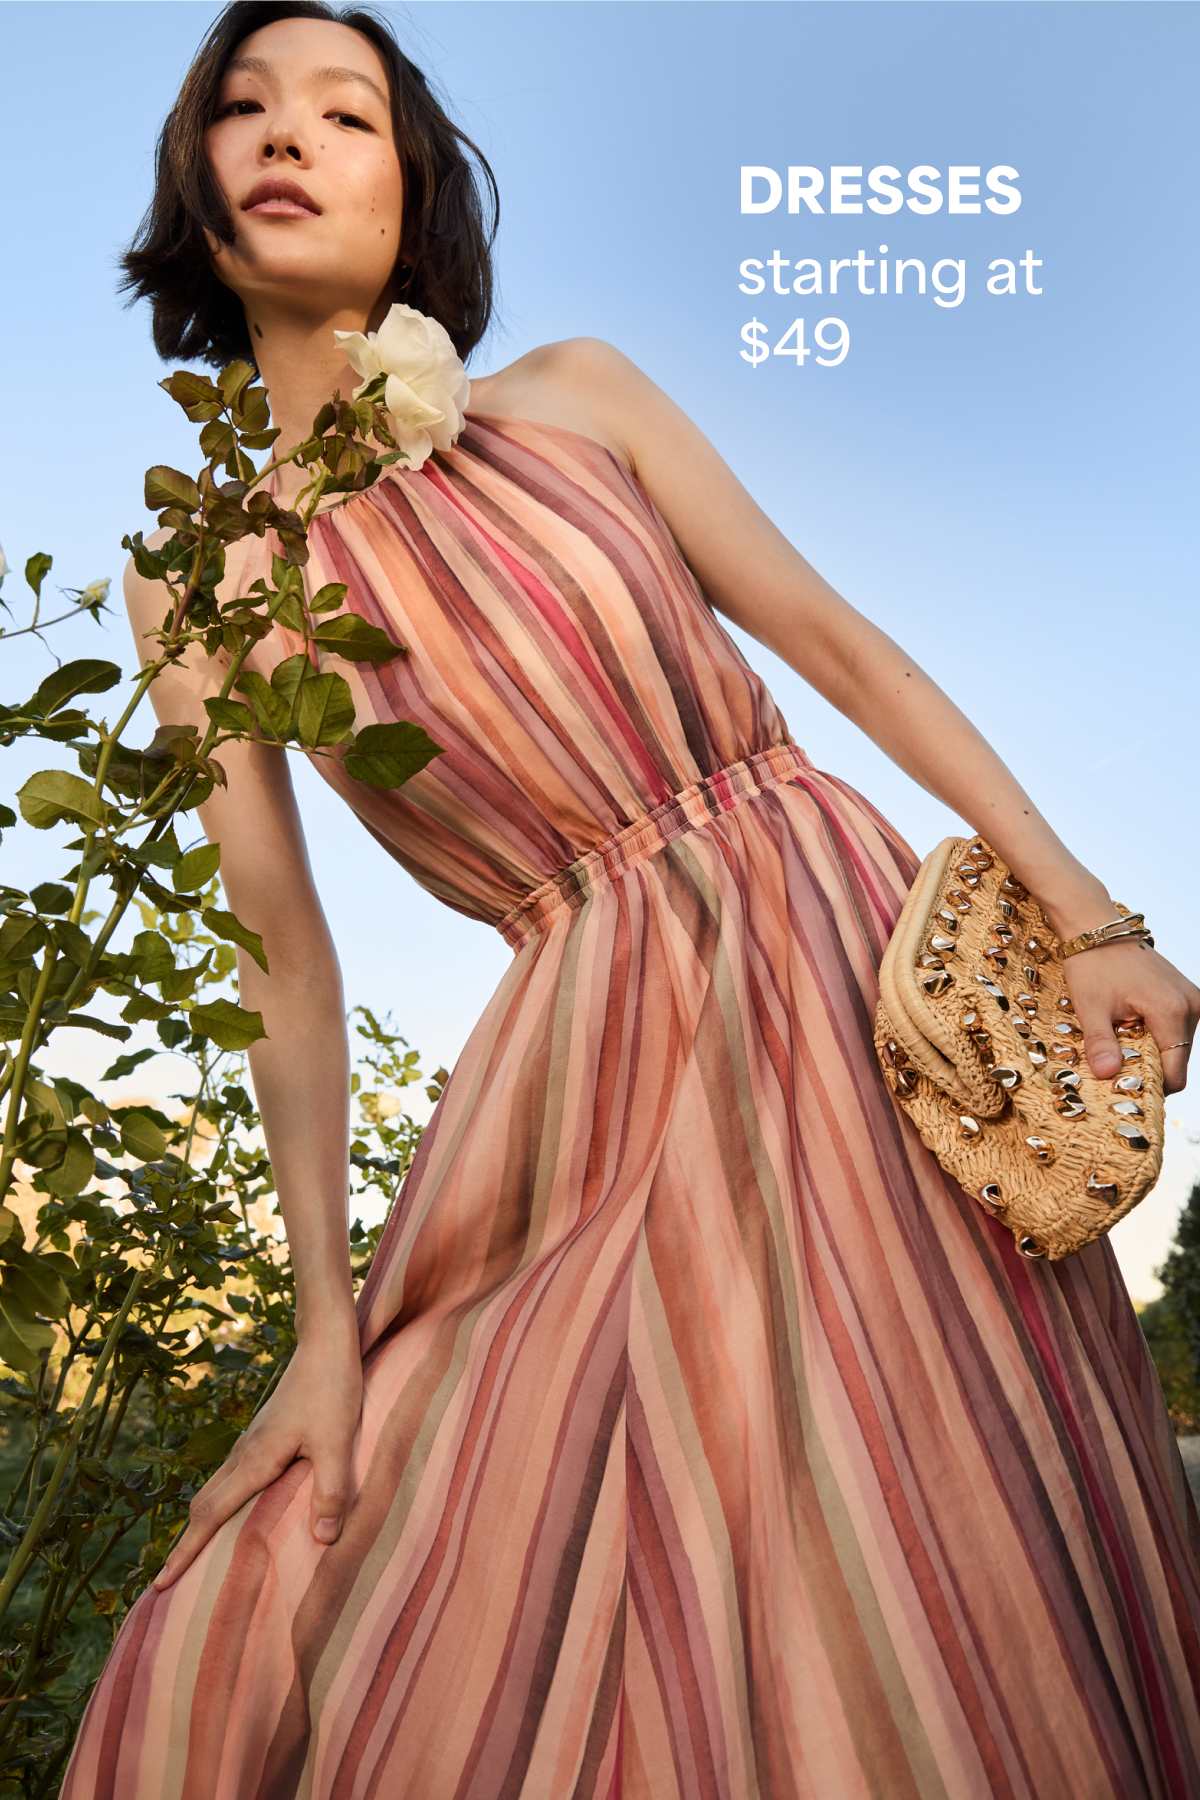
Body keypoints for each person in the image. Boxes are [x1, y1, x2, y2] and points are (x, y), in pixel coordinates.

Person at [60, 4, 1200, 1796]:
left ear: (410, 189)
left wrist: (1090, 912)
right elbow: (286, 951)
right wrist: (320, 1337)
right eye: (243, 107)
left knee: (891, 1479)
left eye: (343, 112)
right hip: (586, 1051)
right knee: (354, 1548)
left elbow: (837, 645)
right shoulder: (195, 583)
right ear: (192, 180)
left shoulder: (576, 396)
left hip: (828, 956)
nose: (286, 134)